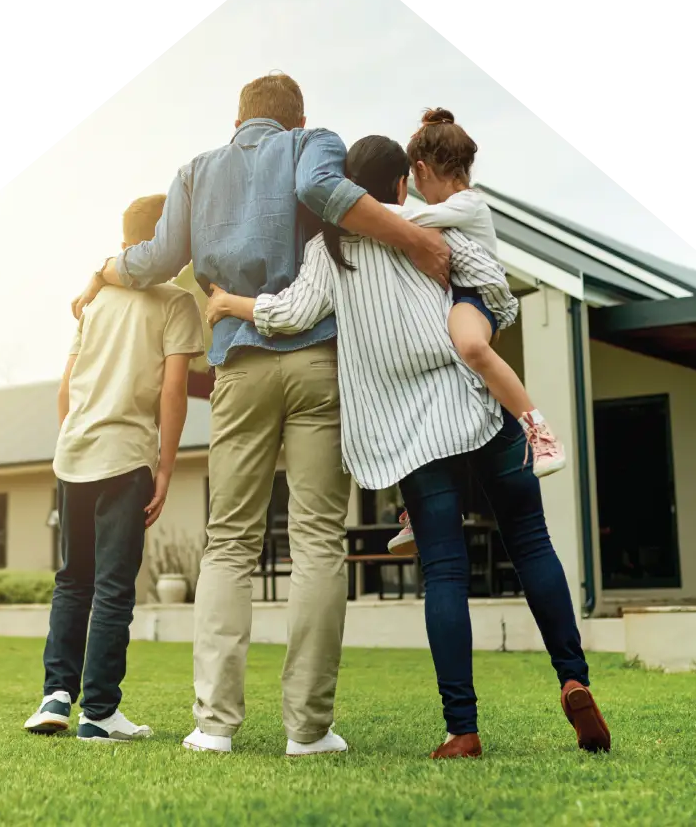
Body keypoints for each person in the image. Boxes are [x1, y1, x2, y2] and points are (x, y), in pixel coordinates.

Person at [67, 74, 451, 756]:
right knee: (317, 541)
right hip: (316, 364)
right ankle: (308, 730)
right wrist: (416, 240)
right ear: (297, 117)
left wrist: (105, 267)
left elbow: (157, 260)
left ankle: (214, 725)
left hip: (238, 368)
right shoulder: (312, 142)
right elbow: (325, 194)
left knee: (230, 543)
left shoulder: (195, 171)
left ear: (238, 119)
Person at [206, 135, 611, 759]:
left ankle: (462, 729)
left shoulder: (328, 249)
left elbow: (289, 314)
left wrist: (229, 302)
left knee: (445, 572)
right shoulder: (425, 229)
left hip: (411, 437)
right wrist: (477, 315)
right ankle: (574, 677)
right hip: (475, 404)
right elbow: (492, 290)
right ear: (402, 185)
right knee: (531, 542)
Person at [25, 194, 203, 742]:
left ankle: (56, 696)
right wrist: (166, 467)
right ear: (165, 242)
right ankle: (98, 711)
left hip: (73, 455)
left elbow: (65, 389)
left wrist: (73, 441)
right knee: (112, 587)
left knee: (72, 581)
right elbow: (174, 389)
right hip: (125, 458)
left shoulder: (94, 301)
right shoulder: (176, 303)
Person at [385, 108, 565, 557]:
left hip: (475, 301)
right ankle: (415, 507)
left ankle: (537, 429)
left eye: (415, 179)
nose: (417, 190)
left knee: (468, 346)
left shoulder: (467, 204)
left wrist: (356, 209)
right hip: (452, 305)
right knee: (438, 399)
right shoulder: (451, 206)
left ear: (422, 171)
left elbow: (406, 224)